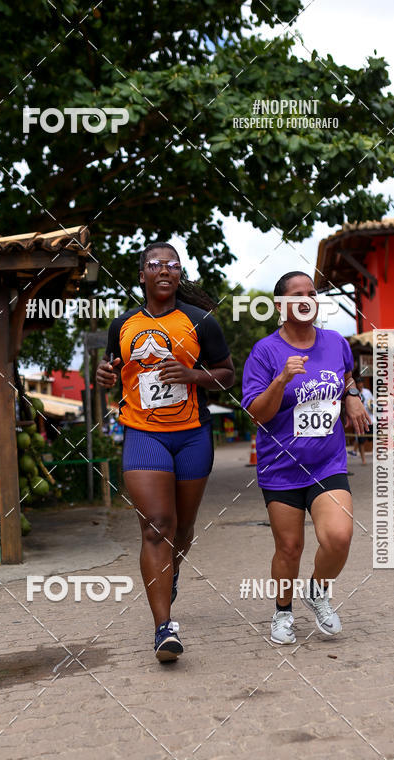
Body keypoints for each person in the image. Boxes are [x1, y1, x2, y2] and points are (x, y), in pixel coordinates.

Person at [96, 242, 234, 660]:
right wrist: (104, 374)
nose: (163, 270)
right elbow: (113, 370)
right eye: (154, 264)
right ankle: (163, 628)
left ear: (179, 275)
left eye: (172, 265)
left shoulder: (201, 322)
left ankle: (169, 572)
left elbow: (228, 374)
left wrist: (192, 374)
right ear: (141, 275)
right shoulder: (121, 325)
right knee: (157, 525)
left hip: (192, 434)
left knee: (182, 530)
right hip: (143, 434)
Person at [241, 271, 370, 644]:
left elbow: (346, 376)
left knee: (339, 537)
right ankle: (282, 612)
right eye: (297, 294)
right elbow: (257, 414)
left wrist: (352, 396)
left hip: (327, 462)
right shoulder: (265, 351)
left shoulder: (334, 342)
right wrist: (281, 380)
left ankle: (317, 591)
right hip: (281, 466)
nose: (306, 298)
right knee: (290, 547)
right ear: (280, 305)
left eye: (312, 293)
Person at [350, 375, 375, 464]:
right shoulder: (354, 393)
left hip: (370, 418)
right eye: (358, 383)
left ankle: (377, 456)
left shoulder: (367, 392)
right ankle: (363, 460)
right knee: (361, 441)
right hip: (360, 420)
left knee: (372, 438)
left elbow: (372, 402)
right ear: (356, 384)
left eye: (361, 383)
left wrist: (372, 407)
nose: (360, 384)